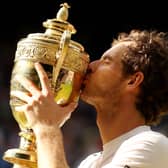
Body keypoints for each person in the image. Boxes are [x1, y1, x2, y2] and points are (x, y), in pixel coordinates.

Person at [11, 29, 168, 168]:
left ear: (133, 81)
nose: (91, 66)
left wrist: (46, 128)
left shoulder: (152, 145)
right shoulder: (90, 162)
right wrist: (30, 139)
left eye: (106, 61)